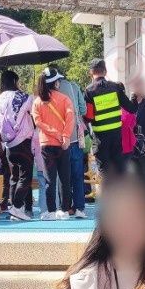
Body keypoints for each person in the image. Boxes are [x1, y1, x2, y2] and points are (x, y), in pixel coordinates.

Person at [32, 67, 74, 221]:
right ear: (55, 83)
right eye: (58, 80)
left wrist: (54, 133)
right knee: (65, 178)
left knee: (49, 179)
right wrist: (65, 136)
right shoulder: (65, 99)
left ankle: (50, 211)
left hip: (46, 144)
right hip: (63, 144)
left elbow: (38, 122)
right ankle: (64, 210)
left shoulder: (37, 102)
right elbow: (70, 118)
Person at [84, 58, 136, 177]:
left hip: (100, 139)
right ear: (105, 71)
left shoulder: (89, 91)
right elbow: (131, 109)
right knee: (119, 170)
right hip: (116, 136)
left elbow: (88, 117)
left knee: (104, 172)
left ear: (91, 72)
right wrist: (134, 97)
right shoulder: (116, 87)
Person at [0, 70, 35, 222]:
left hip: (8, 144)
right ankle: (17, 207)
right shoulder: (24, 97)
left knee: (14, 176)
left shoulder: (1, 97)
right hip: (23, 141)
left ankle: (14, 208)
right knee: (26, 176)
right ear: (14, 81)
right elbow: (34, 111)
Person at [58, 74, 88, 219]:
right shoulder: (74, 86)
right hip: (76, 136)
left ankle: (66, 207)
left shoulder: (51, 91)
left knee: (63, 177)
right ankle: (80, 208)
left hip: (59, 140)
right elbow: (83, 110)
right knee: (77, 175)